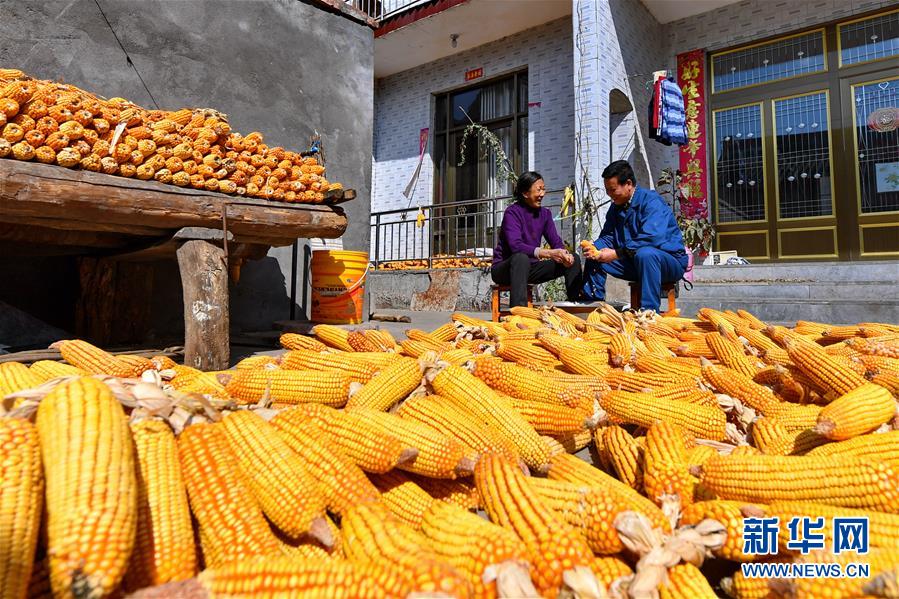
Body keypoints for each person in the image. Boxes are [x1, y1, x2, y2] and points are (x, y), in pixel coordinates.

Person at [581, 160, 689, 311]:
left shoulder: (652, 201)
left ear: (629, 184)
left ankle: (649, 312)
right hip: (633, 261)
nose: (610, 195)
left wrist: (616, 253)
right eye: (607, 190)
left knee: (645, 254)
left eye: (612, 190)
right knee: (594, 256)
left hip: (668, 262)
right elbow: (609, 236)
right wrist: (595, 247)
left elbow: (651, 239)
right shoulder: (615, 207)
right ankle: (591, 305)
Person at [491, 171, 582, 308]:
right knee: (520, 258)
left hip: (531, 268)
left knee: (573, 258)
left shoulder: (545, 214)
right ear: (525, 193)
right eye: (538, 190)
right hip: (505, 268)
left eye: (543, 189)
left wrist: (564, 254)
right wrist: (548, 253)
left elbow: (555, 241)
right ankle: (519, 315)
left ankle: (576, 308)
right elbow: (516, 246)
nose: (542, 194)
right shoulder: (512, 212)